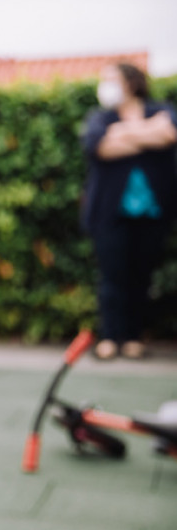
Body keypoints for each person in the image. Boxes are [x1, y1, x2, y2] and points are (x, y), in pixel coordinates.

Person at [81, 62, 177, 360]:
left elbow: (169, 135)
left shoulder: (160, 109)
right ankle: (111, 336)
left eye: (111, 78)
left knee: (141, 277)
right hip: (110, 213)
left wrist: (122, 133)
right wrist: (148, 135)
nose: (105, 84)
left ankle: (134, 337)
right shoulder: (100, 118)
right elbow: (100, 147)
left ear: (131, 82)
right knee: (112, 277)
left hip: (152, 211)